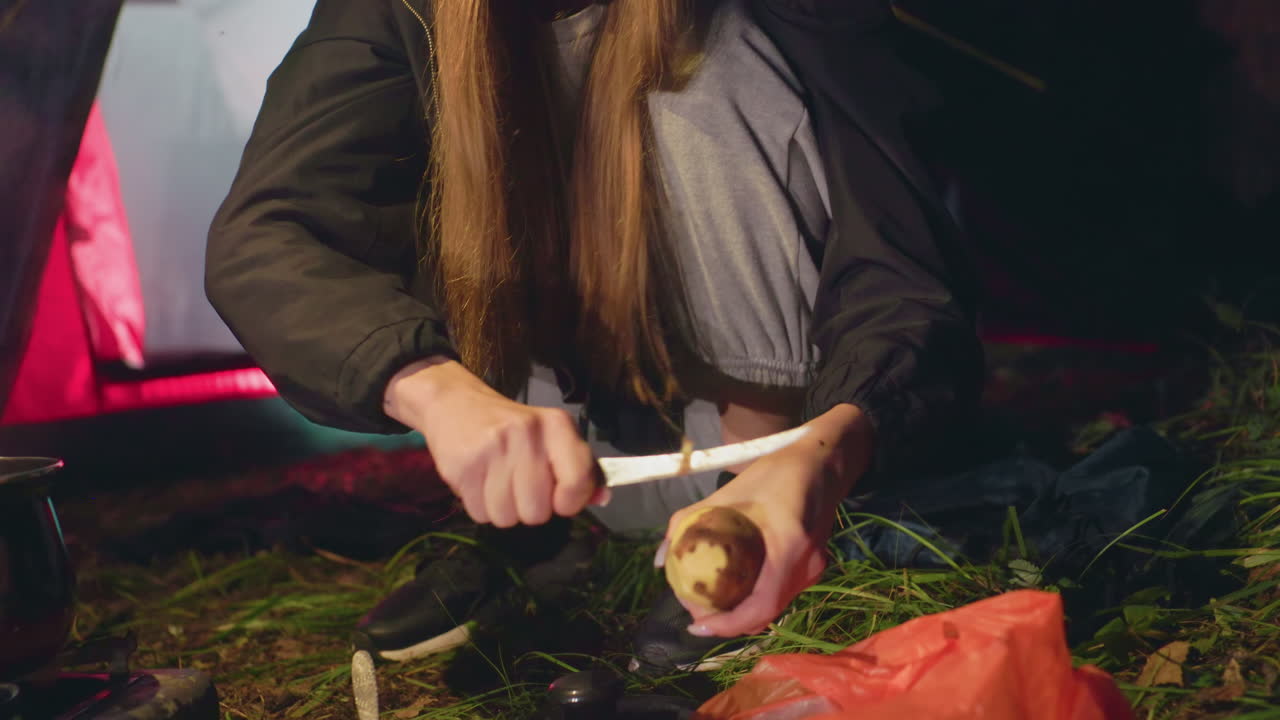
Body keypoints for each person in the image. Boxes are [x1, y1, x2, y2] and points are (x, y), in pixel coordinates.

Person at [205, 0, 984, 674]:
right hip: (590, 470)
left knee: (708, 61)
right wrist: (438, 394)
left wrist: (823, 454)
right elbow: (268, 232)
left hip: (778, 482)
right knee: (441, 119)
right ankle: (530, 531)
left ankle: (736, 523)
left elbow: (903, 270)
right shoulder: (396, 13)